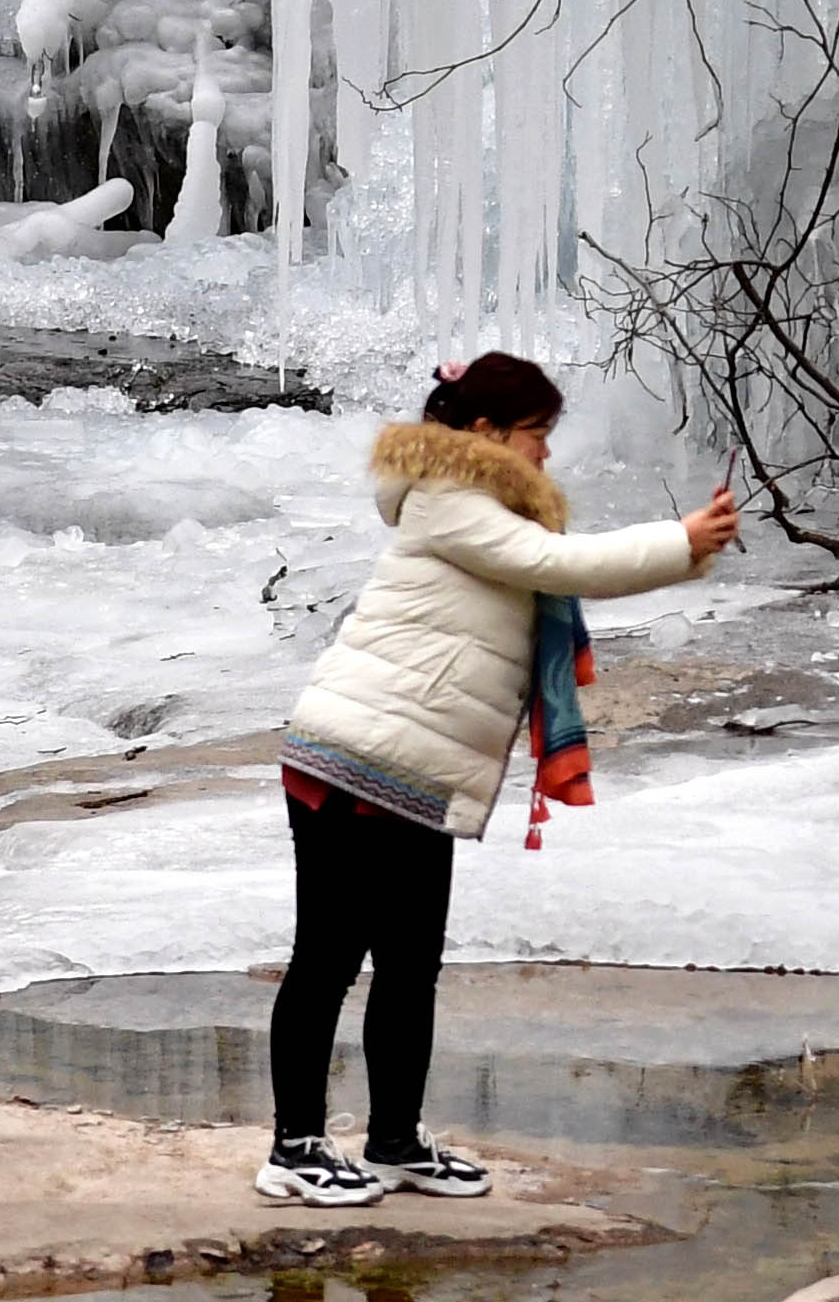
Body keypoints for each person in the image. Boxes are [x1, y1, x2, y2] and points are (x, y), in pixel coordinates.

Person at [255, 351, 739, 1205]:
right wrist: (682, 543)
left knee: (410, 964)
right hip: (354, 763)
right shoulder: (451, 502)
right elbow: (566, 566)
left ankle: (395, 1139)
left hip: (411, 773)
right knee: (327, 958)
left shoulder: (476, 504)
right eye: (537, 435)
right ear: (485, 433)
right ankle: (293, 1149)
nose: (548, 454)